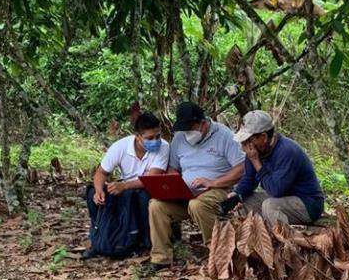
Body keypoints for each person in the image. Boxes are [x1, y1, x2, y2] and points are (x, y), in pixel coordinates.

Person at [146, 101, 245, 270]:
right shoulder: (179, 138)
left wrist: (213, 182)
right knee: (156, 205)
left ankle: (219, 254)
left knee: (198, 204)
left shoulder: (224, 135)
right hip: (186, 193)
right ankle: (161, 258)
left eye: (190, 128)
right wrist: (171, 186)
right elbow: (173, 169)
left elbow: (241, 168)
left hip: (218, 190)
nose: (187, 134)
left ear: (203, 124)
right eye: (184, 130)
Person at [82, 112, 169, 260]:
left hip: (145, 187)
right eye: (150, 138)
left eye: (158, 136)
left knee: (144, 197)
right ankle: (100, 238)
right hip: (125, 186)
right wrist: (98, 191)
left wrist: (125, 186)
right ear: (138, 136)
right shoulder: (120, 147)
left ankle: (144, 241)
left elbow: (152, 178)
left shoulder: (164, 147)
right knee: (92, 195)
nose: (155, 141)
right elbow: (101, 173)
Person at [218, 110, 324, 226]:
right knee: (242, 203)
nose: (245, 146)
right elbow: (249, 180)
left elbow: (275, 190)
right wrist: (238, 194)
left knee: (270, 206)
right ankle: (255, 239)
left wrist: (256, 162)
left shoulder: (287, 151)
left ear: (263, 137)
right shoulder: (257, 150)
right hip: (282, 198)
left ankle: (285, 241)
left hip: (307, 203)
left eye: (249, 140)